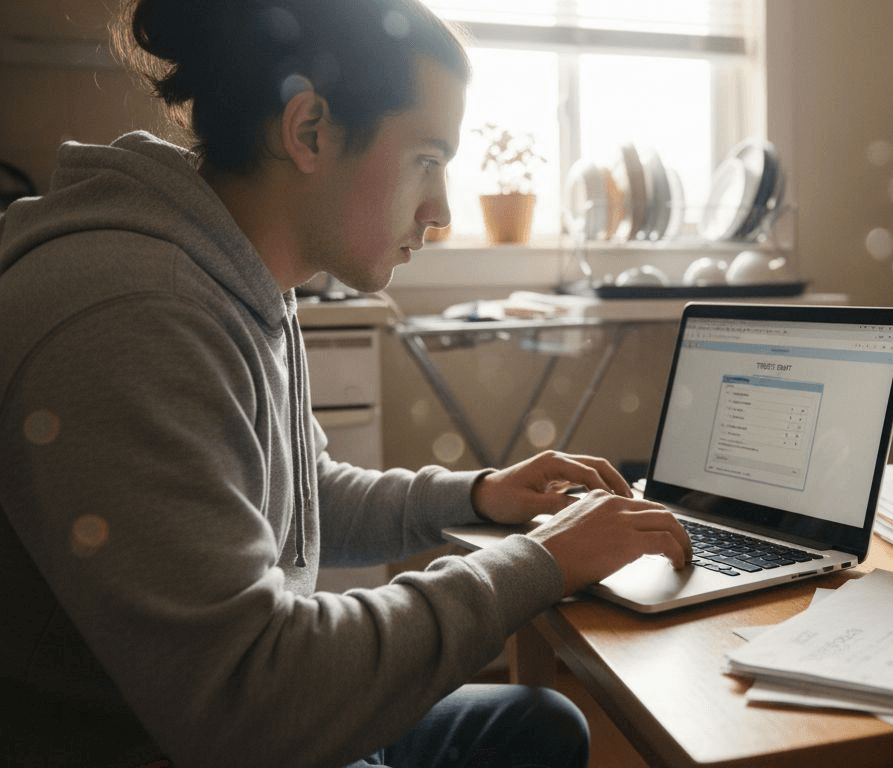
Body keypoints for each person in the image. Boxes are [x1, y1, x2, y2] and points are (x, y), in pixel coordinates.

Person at [0, 0, 692, 766]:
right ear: (310, 132)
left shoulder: (234, 276)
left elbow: (301, 490)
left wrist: (476, 496)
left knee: (542, 724)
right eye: (427, 158)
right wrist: (540, 562)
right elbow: (251, 698)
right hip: (180, 742)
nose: (441, 210)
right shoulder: (136, 316)